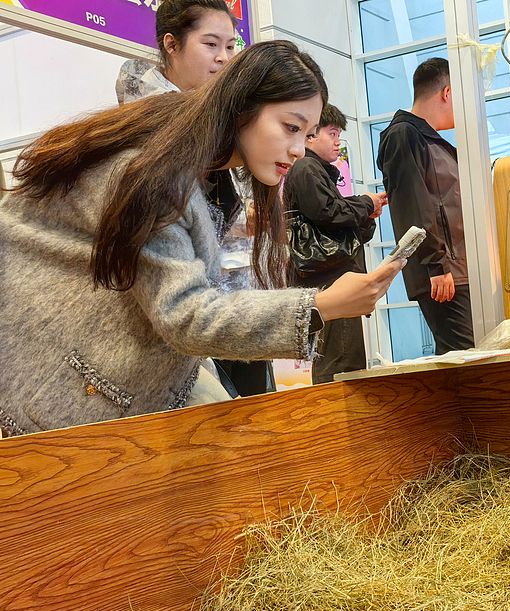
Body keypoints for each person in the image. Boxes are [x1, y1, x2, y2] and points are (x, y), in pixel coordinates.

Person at [0, 41, 402, 437]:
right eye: (290, 127)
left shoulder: (207, 174)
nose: (298, 149)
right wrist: (320, 306)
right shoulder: (156, 173)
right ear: (241, 106)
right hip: (51, 383)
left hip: (116, 373)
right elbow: (184, 313)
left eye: (308, 134)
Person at [117, 0, 280, 397]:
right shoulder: (147, 126)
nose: (223, 58)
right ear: (171, 44)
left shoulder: (221, 117)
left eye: (230, 46)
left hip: (236, 294)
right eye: (210, 44)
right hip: (184, 307)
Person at [377, 57, 475, 356]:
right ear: (447, 92)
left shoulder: (430, 140)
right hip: (443, 271)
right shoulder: (403, 135)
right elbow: (414, 205)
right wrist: (436, 265)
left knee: (468, 355)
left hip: (455, 268)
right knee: (464, 356)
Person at [284, 104, 387, 381]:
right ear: (311, 136)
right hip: (329, 275)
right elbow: (327, 212)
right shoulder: (306, 167)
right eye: (332, 133)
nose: (337, 141)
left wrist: (366, 210)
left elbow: (338, 222)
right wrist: (365, 203)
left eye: (339, 134)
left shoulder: (315, 170)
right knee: (339, 360)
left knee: (343, 355)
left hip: (333, 273)